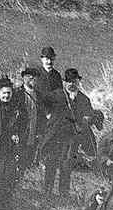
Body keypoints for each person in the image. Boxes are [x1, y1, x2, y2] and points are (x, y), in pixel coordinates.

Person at [39, 69, 101, 197]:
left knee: (66, 164)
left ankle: (63, 193)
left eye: (74, 81)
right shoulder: (56, 95)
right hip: (56, 135)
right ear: (63, 82)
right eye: (68, 81)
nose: (71, 84)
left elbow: (89, 115)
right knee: (51, 162)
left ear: (78, 82)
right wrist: (48, 114)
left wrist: (86, 120)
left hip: (72, 138)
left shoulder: (84, 100)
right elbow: (42, 102)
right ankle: (47, 192)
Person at [16, 66, 49, 171]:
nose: (32, 79)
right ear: (24, 78)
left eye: (34, 77)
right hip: (21, 133)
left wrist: (40, 131)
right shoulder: (18, 94)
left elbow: (42, 116)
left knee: (29, 158)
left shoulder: (39, 96)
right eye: (28, 77)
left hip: (34, 132)